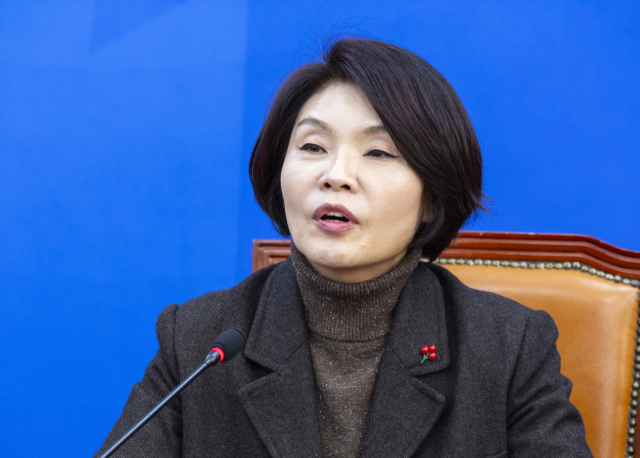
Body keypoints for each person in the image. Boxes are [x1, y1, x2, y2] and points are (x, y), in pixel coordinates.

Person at [95, 38, 593, 457]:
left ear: (431, 197)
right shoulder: (199, 342)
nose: (336, 175)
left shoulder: (508, 348)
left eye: (378, 152)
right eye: (313, 147)